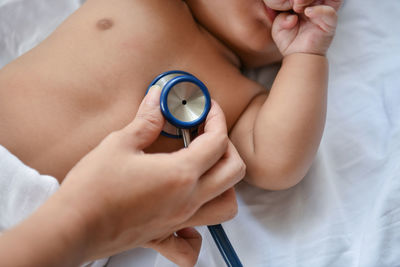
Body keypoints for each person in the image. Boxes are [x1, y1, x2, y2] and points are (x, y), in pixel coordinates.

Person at [0, 0, 341, 265]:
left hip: (67, 240)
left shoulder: (241, 101)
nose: (299, 4)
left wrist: (306, 54)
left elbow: (278, 160)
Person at [0, 85, 245, 267]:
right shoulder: (166, 15)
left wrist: (286, 58)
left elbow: (275, 161)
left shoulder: (246, 94)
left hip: (77, 248)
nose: (282, 17)